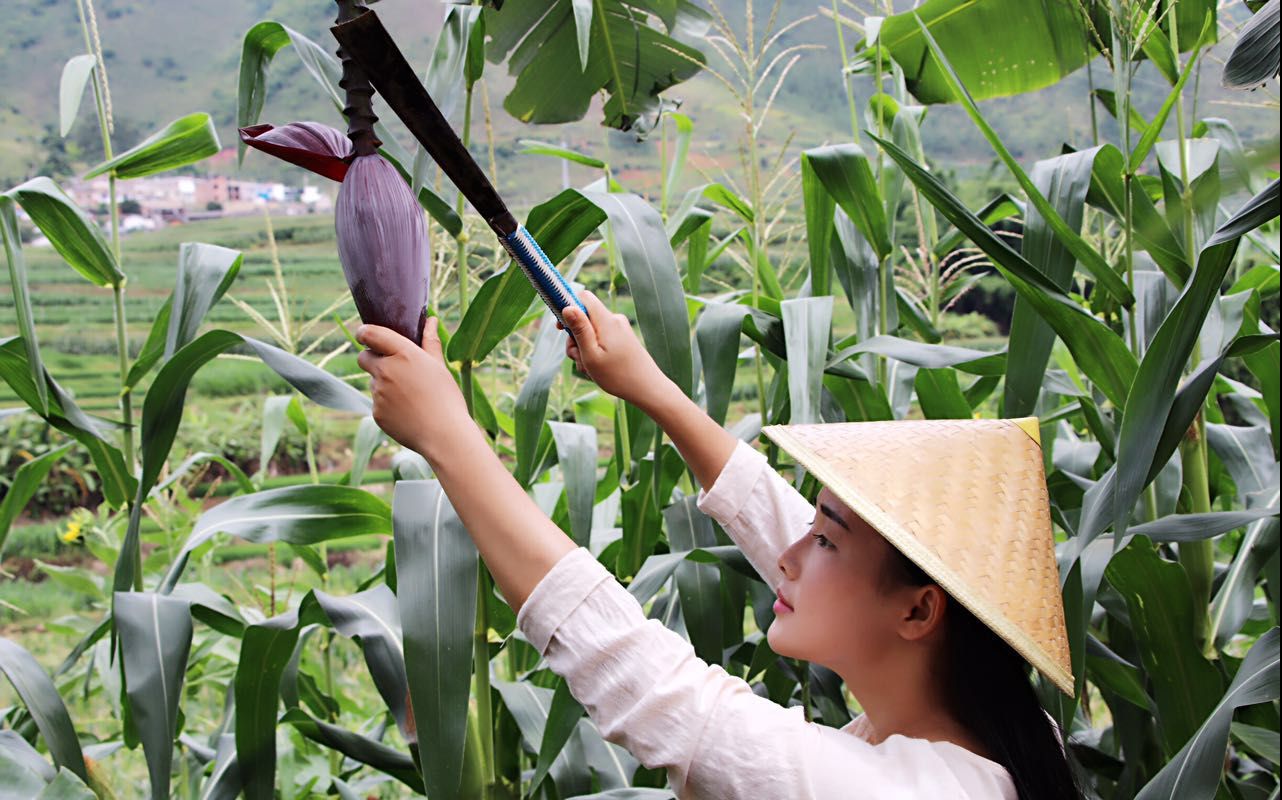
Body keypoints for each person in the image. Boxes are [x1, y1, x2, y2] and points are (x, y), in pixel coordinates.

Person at [354, 290, 1083, 799]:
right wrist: (653, 390)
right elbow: (799, 530)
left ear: (922, 613)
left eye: (823, 541)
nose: (789, 555)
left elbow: (646, 679)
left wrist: (447, 435)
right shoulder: (1007, 737)